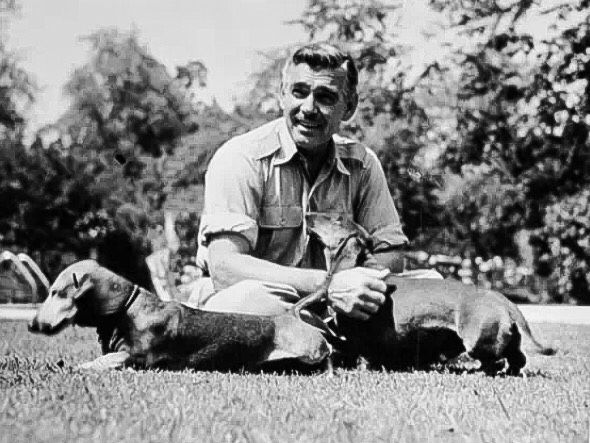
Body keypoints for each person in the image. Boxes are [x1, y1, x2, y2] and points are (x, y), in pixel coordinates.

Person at [188, 43, 439, 321]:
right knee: (254, 302)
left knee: (433, 286)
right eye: (299, 92)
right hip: (260, 302)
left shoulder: (363, 164)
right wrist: (329, 285)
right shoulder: (241, 158)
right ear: (282, 95)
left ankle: (320, 340)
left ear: (349, 107)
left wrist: (359, 285)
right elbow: (225, 268)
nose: (308, 108)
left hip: (336, 305)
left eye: (325, 97)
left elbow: (390, 253)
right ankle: (320, 340)